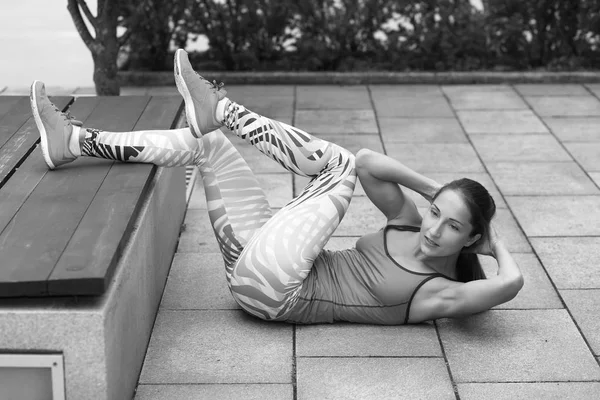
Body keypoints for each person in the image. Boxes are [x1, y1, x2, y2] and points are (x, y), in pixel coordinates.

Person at [30, 49, 523, 325]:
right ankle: (73, 141)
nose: (434, 228)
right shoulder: (411, 224)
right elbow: (377, 164)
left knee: (342, 166)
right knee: (210, 148)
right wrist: (437, 191)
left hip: (280, 292)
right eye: (437, 212)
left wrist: (495, 241)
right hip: (257, 257)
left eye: (453, 226)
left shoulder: (439, 292)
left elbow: (510, 284)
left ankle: (220, 108)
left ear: (470, 240)